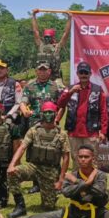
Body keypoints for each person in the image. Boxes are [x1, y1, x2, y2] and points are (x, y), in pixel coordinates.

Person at [7, 101, 70, 217]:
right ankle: (20, 206)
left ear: (55, 114)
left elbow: (66, 157)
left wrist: (61, 179)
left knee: (48, 207)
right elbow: (22, 148)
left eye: (51, 112)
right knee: (13, 174)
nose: (48, 115)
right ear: (41, 114)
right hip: (33, 167)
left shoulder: (62, 134)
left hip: (50, 171)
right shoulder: (33, 130)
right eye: (45, 112)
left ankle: (51, 194)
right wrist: (12, 165)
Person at [19, 59, 65, 194]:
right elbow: (23, 101)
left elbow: (62, 105)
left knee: (54, 151)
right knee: (35, 153)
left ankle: (56, 181)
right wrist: (24, 110)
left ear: (49, 71)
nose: (43, 72)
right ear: (36, 71)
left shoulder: (55, 87)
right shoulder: (30, 86)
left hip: (51, 124)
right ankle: (36, 183)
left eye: (45, 69)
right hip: (35, 124)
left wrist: (57, 119)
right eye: (40, 69)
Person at [56, 61, 108, 167]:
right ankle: (78, 183)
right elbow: (60, 104)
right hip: (74, 132)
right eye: (81, 72)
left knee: (92, 160)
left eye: (86, 73)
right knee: (76, 160)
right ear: (77, 74)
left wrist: (103, 131)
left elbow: (103, 111)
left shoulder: (97, 90)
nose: (83, 75)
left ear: (90, 74)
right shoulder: (70, 88)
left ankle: (92, 183)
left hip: (91, 133)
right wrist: (70, 92)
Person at [31, 9, 71, 88]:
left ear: (53, 37)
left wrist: (69, 18)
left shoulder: (57, 47)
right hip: (41, 78)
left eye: (48, 37)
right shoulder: (40, 45)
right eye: (46, 37)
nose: (47, 39)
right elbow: (35, 31)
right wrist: (33, 16)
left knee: (63, 90)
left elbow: (66, 33)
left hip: (55, 79)